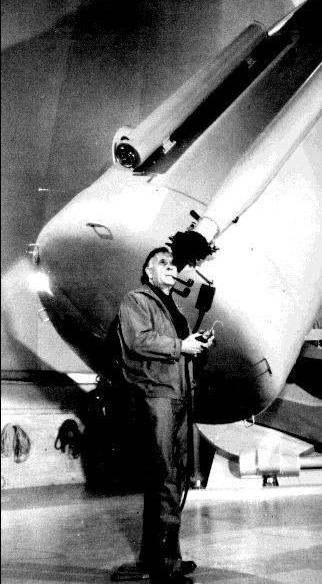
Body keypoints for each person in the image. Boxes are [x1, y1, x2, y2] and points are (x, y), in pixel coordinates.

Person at [112, 233, 215, 583]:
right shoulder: (136, 300)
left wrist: (196, 344)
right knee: (164, 476)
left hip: (179, 396)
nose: (171, 268)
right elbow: (138, 340)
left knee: (174, 475)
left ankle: (161, 557)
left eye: (172, 265)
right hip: (158, 396)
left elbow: (178, 348)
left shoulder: (175, 309)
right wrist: (180, 346)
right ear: (148, 271)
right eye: (162, 263)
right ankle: (164, 564)